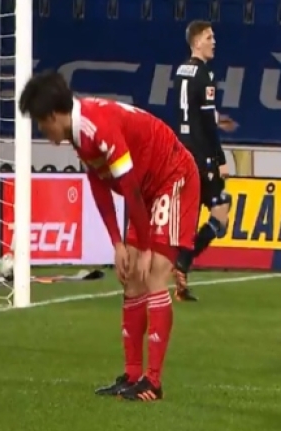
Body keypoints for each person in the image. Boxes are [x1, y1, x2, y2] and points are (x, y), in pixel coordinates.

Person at [19, 71, 200, 402]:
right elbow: (100, 184)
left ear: (54, 115)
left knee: (154, 273)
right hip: (145, 188)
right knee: (131, 280)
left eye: (42, 125)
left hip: (172, 175)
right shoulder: (79, 132)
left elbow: (128, 187)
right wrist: (117, 243)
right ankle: (132, 375)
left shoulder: (96, 127)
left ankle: (153, 382)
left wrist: (145, 246)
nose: (43, 132)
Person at [172, 20, 238, 302]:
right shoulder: (205, 75)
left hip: (183, 152)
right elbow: (208, 124)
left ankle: (180, 276)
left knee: (191, 216)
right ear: (197, 41)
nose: (214, 42)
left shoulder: (182, 71)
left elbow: (195, 111)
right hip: (202, 156)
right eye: (209, 37)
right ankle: (183, 262)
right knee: (221, 210)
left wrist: (216, 118)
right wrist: (220, 158)